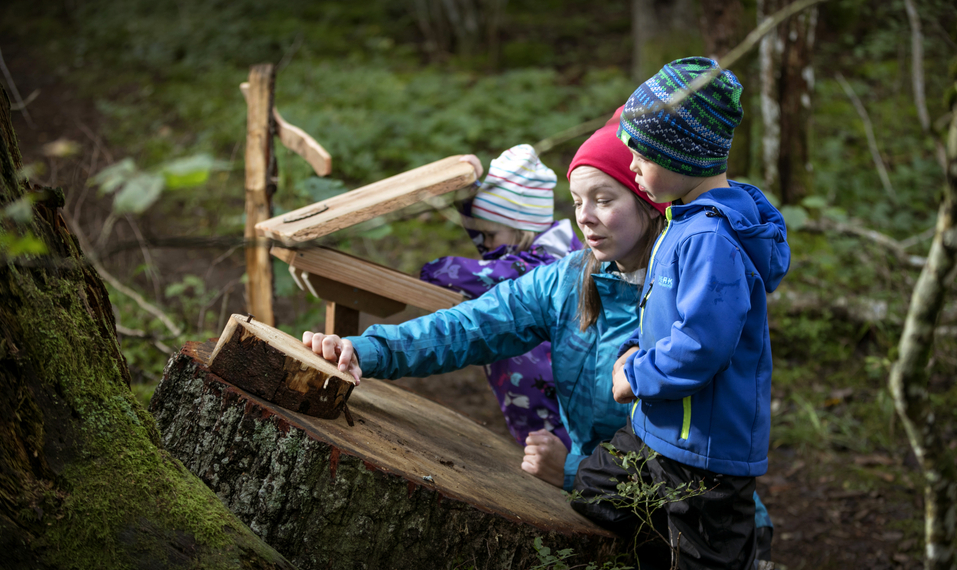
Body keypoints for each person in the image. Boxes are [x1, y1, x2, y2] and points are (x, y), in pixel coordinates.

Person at [301, 107, 774, 560]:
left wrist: (571, 471)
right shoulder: (567, 280)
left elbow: (687, 434)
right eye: (576, 202)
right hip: (607, 500)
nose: (584, 216)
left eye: (604, 200)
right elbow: (472, 326)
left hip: (698, 521)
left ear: (650, 204)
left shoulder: (689, 291)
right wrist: (365, 350)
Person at [571, 58, 790, 569]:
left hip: (705, 454)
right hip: (658, 434)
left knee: (706, 560)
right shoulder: (683, 220)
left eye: (639, 154)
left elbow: (701, 347)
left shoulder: (712, 239)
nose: (631, 165)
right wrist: (633, 351)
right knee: (594, 489)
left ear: (682, 158)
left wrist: (637, 376)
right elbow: (671, 320)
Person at [420, 144, 580, 449]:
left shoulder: (543, 264)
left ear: (521, 228)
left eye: (492, 235)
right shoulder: (531, 244)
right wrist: (466, 189)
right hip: (532, 403)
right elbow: (485, 229)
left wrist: (434, 269)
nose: (486, 244)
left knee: (553, 466)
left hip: (557, 410)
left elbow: (480, 273)